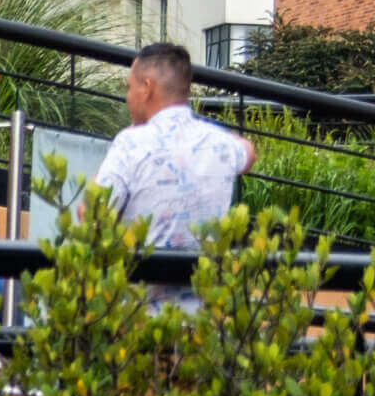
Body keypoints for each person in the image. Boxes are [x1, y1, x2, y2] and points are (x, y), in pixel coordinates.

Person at [91, 42, 256, 249]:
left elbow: (90, 214)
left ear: (147, 88)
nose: (128, 97)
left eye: (130, 87)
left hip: (140, 277)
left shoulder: (130, 143)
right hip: (203, 277)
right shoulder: (220, 144)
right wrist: (208, 129)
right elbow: (249, 153)